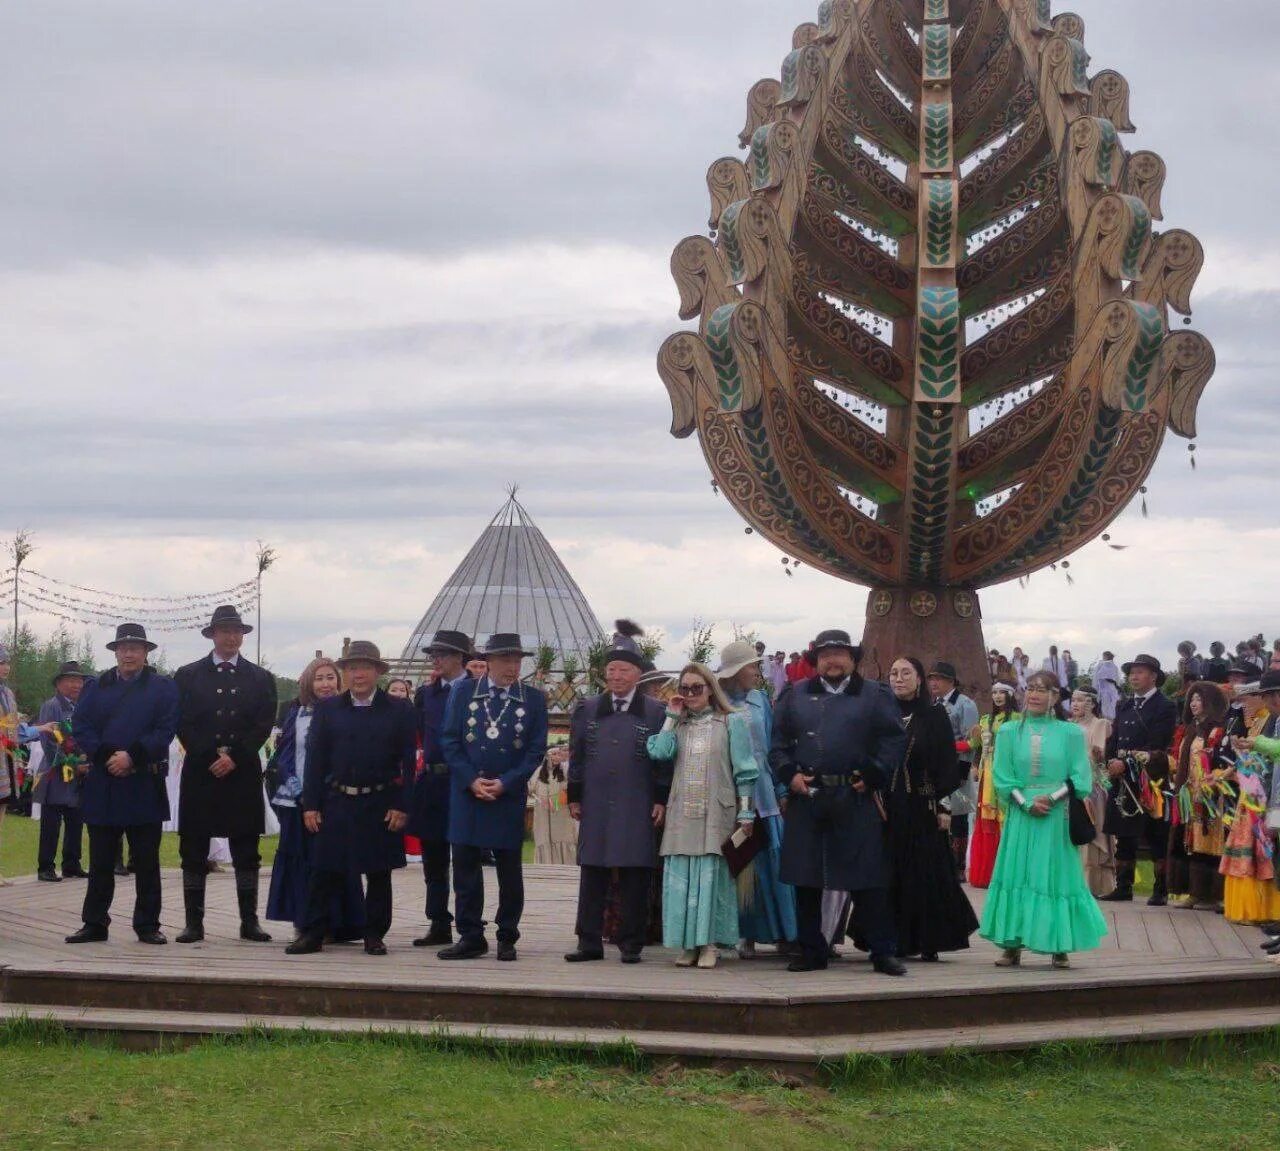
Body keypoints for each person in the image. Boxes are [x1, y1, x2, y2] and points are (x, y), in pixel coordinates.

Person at [770, 629, 908, 976]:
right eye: (826, 654)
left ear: (853, 659)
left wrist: (875, 774)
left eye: (840, 653)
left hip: (855, 796)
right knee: (806, 879)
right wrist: (789, 775)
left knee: (869, 879)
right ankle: (811, 950)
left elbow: (893, 739)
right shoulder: (794, 695)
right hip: (809, 798)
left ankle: (882, 951)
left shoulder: (875, 695)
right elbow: (777, 744)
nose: (833, 660)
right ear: (815, 660)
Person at [285, 641, 414, 956]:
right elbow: (315, 760)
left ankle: (374, 934)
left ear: (377, 672)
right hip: (337, 800)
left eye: (365, 667)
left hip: (380, 801)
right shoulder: (329, 710)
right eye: (353, 668)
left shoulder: (399, 709)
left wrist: (402, 805)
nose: (359, 674)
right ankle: (313, 932)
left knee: (378, 872)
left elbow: (409, 763)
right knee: (323, 869)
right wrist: (311, 805)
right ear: (346, 672)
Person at [979, 670, 1108, 968]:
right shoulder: (1010, 731)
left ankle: (1059, 944)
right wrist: (1025, 803)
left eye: (1043, 689)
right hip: (1022, 815)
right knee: (1018, 874)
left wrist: (1050, 799)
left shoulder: (1071, 733)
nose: (1035, 695)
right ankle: (1012, 942)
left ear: (1055, 696)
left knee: (1054, 876)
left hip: (1056, 816)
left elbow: (1080, 777)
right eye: (1031, 688)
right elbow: (1002, 777)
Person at [66, 624, 179, 945]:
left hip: (143, 780)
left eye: (135, 648)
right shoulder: (96, 686)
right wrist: (107, 757)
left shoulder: (163, 687)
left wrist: (132, 757)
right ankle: (94, 923)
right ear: (116, 652)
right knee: (101, 859)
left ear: (146, 652)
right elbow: (82, 726)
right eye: (123, 648)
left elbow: (165, 729)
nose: (128, 653)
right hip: (104, 781)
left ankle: (147, 925)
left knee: (146, 860)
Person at [438, 633, 548, 962]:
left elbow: (534, 750)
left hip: (506, 795)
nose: (512, 667)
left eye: (516, 661)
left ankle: (507, 935)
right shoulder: (464, 692)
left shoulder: (532, 699)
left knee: (509, 870)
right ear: (488, 662)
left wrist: (507, 782)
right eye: (504, 660)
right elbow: (450, 740)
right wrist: (471, 780)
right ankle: (470, 935)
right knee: (466, 868)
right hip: (469, 793)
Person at [173, 606, 278, 944]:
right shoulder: (187, 675)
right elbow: (182, 721)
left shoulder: (261, 678)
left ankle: (250, 921)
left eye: (237, 631)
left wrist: (234, 756)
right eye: (225, 630)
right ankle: (194, 923)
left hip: (242, 772)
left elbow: (263, 724)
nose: (232, 637)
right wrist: (208, 755)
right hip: (201, 772)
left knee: (246, 847)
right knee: (193, 846)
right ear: (213, 634)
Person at [646, 662, 758, 968]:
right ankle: (688, 944)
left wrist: (746, 814)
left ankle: (710, 944)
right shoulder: (679, 725)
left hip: (717, 811)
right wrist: (671, 716)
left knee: (713, 875)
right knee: (683, 872)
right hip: (683, 811)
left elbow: (746, 770)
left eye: (697, 687)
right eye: (685, 688)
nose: (691, 694)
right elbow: (657, 752)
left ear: (711, 689)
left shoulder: (730, 722)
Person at [564, 645, 670, 964]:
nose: (616, 676)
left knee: (635, 869)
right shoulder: (589, 707)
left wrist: (660, 799)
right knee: (593, 868)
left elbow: (664, 761)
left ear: (638, 675)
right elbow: (576, 754)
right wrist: (574, 795)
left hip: (637, 800)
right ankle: (588, 941)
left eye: (623, 670)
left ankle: (631, 942)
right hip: (595, 799)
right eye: (611, 670)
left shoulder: (656, 711)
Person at [266, 656, 367, 944]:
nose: (325, 683)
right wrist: (301, 793)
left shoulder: (350, 712)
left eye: (330, 677)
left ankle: (339, 922)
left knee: (335, 862)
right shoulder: (296, 713)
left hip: (335, 799)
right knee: (302, 861)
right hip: (297, 799)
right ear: (310, 682)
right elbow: (283, 758)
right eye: (319, 678)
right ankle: (305, 921)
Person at [885, 657, 978, 960]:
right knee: (892, 870)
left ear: (920, 679)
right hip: (888, 805)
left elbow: (946, 764)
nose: (899, 679)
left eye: (906, 673)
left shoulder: (935, 715)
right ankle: (894, 936)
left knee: (925, 872)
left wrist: (945, 807)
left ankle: (928, 939)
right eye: (894, 673)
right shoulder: (883, 713)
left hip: (923, 805)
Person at [716, 640, 796, 957]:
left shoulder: (761, 700)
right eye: (752, 666)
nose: (757, 671)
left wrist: (781, 789)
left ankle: (783, 932)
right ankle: (742, 933)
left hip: (764, 792)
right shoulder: (716, 702)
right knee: (739, 861)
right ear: (737, 670)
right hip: (731, 792)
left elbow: (772, 748)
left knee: (772, 862)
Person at [408, 630, 473, 948]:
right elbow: (422, 732)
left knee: (463, 858)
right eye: (434, 654)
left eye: (444, 654)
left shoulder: (476, 691)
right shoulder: (426, 694)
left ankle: (467, 925)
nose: (437, 660)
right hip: (433, 781)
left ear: (461, 658)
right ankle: (438, 922)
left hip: (463, 782)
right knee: (433, 859)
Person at [1101, 655, 1178, 904]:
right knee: (1124, 833)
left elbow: (1158, 743)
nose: (1134, 677)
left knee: (1156, 834)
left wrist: (1128, 763)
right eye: (1132, 672)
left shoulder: (1164, 706)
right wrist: (1110, 759)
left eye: (1140, 672)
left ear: (1153, 676)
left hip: (1151, 778)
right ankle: (1124, 886)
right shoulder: (1124, 705)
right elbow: (1115, 738)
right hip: (1123, 778)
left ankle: (1160, 889)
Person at [1219, 677, 1279, 925]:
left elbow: (1266, 760)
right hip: (1257, 793)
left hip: (1261, 795)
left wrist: (1253, 747)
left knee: (1264, 850)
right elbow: (1258, 764)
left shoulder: (1268, 721)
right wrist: (1235, 769)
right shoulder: (1254, 723)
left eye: (1250, 697)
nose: (1244, 704)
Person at [1167, 681, 1229, 911]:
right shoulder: (1189, 729)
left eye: (1198, 699)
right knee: (1191, 841)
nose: (1193, 703)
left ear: (1210, 702)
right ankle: (1195, 892)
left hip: (1214, 797)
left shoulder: (1219, 729)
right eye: (1191, 699)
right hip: (1190, 795)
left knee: (1215, 842)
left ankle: (1217, 894)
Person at [34, 662, 93, 882]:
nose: (76, 684)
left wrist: (87, 761)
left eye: (79, 680)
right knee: (51, 822)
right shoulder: (52, 706)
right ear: (59, 684)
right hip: (56, 773)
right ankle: (45, 866)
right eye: (71, 680)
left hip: (78, 773)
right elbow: (49, 742)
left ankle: (71, 863)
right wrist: (70, 763)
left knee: (76, 819)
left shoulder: (82, 707)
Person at [928, 662, 979, 880]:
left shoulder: (965, 704)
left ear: (951, 681)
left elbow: (973, 741)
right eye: (931, 678)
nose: (933, 683)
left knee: (958, 817)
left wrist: (962, 767)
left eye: (938, 678)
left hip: (958, 767)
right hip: (936, 768)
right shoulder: (933, 703)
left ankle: (958, 866)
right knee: (938, 814)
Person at [968, 682, 1019, 889]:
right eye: (994, 692)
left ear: (1010, 695)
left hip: (1008, 775)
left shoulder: (1018, 719)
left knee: (1006, 821)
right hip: (987, 776)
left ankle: (1009, 874)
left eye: (1002, 692)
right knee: (987, 822)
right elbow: (974, 747)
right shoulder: (985, 720)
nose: (997, 696)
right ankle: (986, 873)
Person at [1068, 685, 1115, 898]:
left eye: (1081, 700)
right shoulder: (1065, 726)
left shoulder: (1100, 724)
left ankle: (1091, 885)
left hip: (1091, 785)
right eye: (1073, 700)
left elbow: (1098, 755)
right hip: (1067, 786)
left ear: (1092, 703)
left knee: (1092, 832)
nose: (1075, 704)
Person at [1094, 651, 1121, 720]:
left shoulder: (1104, 664)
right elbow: (1116, 679)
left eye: (1103, 656)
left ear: (1105, 656)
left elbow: (1099, 676)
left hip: (1105, 689)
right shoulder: (1114, 666)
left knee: (1106, 707)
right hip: (1112, 689)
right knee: (1111, 707)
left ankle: (1106, 721)